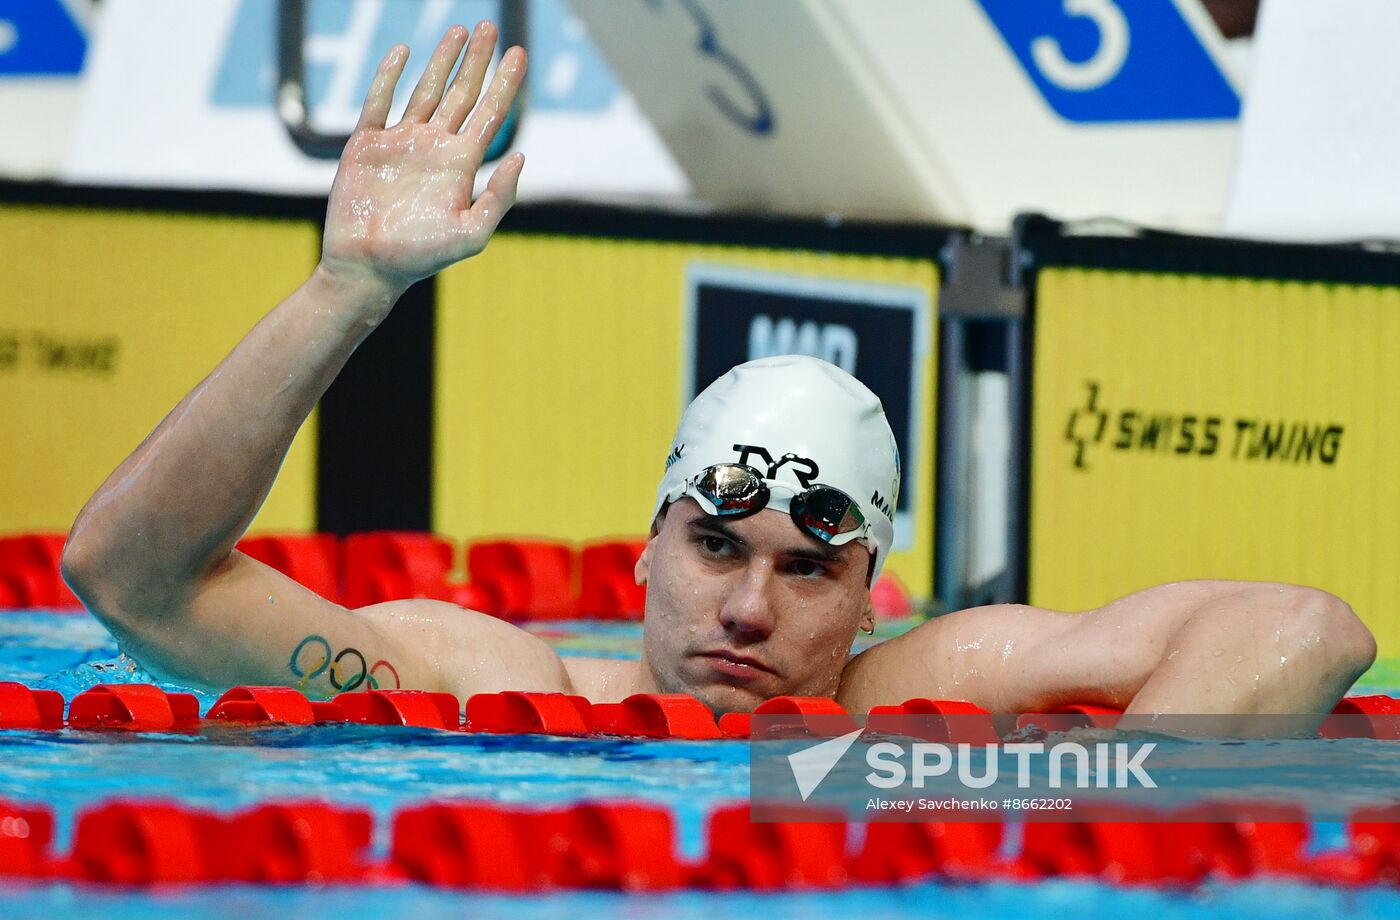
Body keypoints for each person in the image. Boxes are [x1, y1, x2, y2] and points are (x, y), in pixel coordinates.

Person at [60, 24, 1376, 723]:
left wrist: (1094, 818)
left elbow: (1307, 631)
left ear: (874, 591)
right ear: (642, 547)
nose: (750, 608)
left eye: (810, 568)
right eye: (717, 546)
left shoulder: (922, 701)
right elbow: (130, 580)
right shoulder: (497, 693)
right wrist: (345, 290)